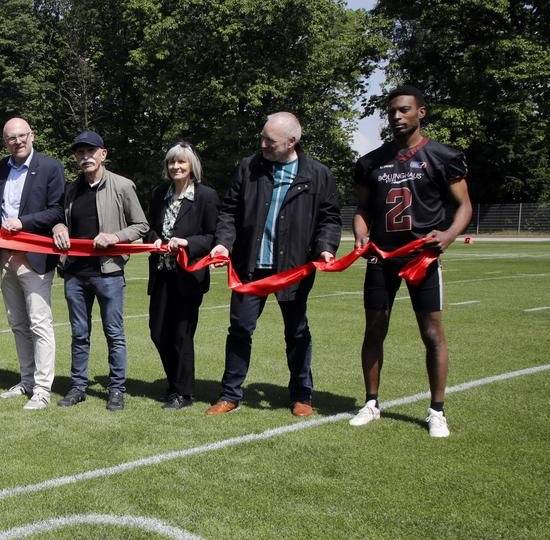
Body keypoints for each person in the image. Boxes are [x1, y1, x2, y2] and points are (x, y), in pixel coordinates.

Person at [349, 85, 473, 438]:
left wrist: (448, 235)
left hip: (423, 255)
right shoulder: (371, 161)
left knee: (431, 331)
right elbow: (362, 209)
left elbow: (464, 205)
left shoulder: (442, 157)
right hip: (382, 256)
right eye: (392, 112)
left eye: (404, 110)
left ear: (421, 112)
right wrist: (361, 233)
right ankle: (371, 403)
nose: (397, 117)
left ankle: (437, 410)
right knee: (374, 328)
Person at [205, 112, 341, 417]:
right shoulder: (248, 167)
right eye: (262, 137)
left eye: (270, 140)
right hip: (249, 267)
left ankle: (302, 395)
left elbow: (329, 219)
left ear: (292, 142)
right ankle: (230, 395)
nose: (263, 144)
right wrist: (223, 243)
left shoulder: (318, 174)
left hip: (293, 268)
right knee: (239, 328)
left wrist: (324, 248)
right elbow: (229, 211)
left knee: (296, 331)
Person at [52, 131, 149, 411]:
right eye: (80, 153)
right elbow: (60, 219)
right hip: (75, 273)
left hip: (108, 273)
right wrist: (59, 227)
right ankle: (78, 386)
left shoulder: (122, 185)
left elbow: (141, 225)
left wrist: (115, 237)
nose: (85, 158)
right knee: (79, 334)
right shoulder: (71, 189)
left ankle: (117, 389)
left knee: (114, 333)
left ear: (103, 154)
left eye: (90, 152)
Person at [0, 117, 66, 410]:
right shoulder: (1, 168)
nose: (18, 141)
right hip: (6, 258)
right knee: (18, 324)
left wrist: (23, 222)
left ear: (32, 135)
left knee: (39, 324)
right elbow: (1, 209)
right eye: (12, 138)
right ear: (5, 141)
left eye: (22, 136)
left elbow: (56, 210)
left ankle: (43, 389)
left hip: (35, 259)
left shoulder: (50, 167)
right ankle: (27, 380)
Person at [145, 142, 221, 410]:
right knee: (157, 332)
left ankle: (183, 392)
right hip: (161, 274)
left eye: (181, 163)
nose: (175, 167)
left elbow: (212, 235)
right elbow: (150, 228)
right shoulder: (159, 194)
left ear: (191, 166)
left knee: (181, 334)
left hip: (188, 277)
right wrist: (154, 239)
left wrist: (188, 242)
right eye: (171, 163)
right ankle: (174, 382)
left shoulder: (206, 196)